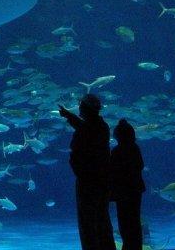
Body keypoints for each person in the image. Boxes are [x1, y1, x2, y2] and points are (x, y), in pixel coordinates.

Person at [59, 94, 116, 250]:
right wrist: (68, 115)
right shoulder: (102, 126)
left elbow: (82, 132)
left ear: (85, 109)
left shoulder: (88, 129)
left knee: (88, 224)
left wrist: (78, 170)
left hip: (87, 182)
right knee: (103, 220)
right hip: (103, 181)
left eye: (80, 105)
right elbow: (85, 127)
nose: (78, 108)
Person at [110, 119, 146, 250]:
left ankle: (129, 246)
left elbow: (112, 170)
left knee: (124, 221)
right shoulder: (135, 148)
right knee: (134, 220)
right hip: (136, 189)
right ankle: (134, 246)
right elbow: (140, 165)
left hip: (123, 191)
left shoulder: (116, 151)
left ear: (117, 136)